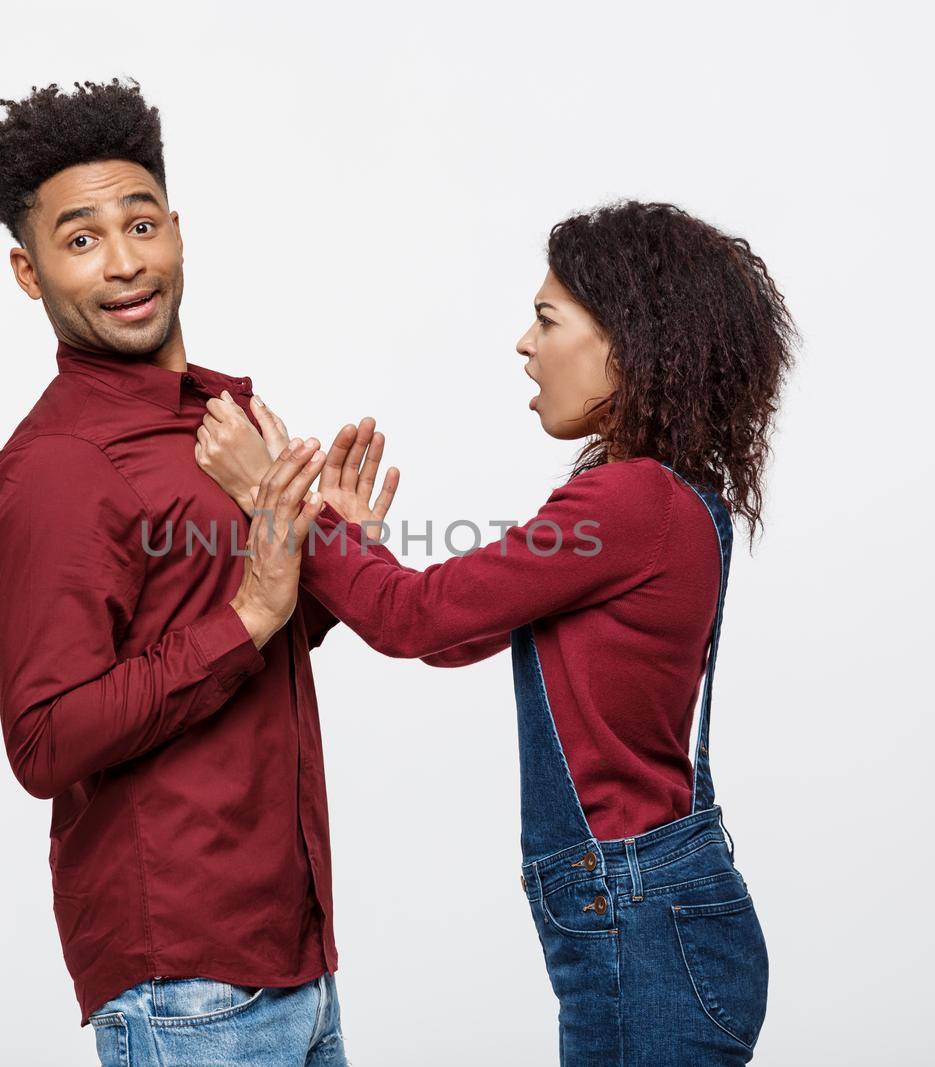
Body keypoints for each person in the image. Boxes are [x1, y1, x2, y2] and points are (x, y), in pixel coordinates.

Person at [197, 200, 796, 1065]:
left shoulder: (629, 501)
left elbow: (416, 618)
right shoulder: (672, 499)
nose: (525, 342)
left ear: (628, 340)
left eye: (548, 319)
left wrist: (278, 505)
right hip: (652, 917)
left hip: (638, 923)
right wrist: (356, 546)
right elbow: (447, 633)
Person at [0, 79, 348, 1066]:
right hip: (186, 984)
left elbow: (233, 634)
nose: (125, 262)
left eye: (140, 223)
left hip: (293, 956)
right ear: (28, 268)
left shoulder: (214, 427)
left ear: (177, 229)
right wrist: (250, 612)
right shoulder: (59, 465)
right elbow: (45, 736)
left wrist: (309, 574)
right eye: (81, 238)